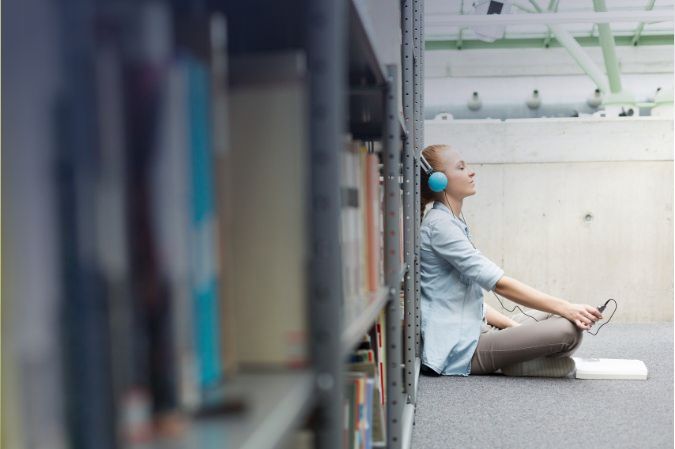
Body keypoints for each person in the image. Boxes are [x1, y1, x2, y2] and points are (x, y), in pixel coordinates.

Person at [418, 144, 604, 377]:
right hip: (463, 349)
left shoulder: (451, 222)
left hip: (478, 328)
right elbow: (500, 284)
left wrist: (515, 331)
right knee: (567, 329)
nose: (471, 172)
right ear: (439, 181)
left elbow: (469, 302)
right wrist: (566, 309)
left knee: (562, 318)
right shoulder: (440, 226)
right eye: (461, 167)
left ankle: (521, 360)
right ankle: (519, 362)